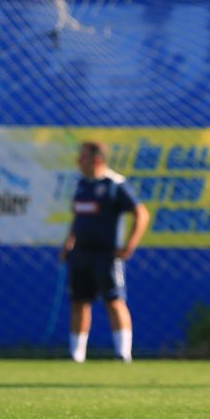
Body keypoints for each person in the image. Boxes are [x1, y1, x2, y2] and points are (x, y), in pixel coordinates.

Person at [60, 141, 150, 363]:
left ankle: (123, 353)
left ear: (96, 159)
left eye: (83, 157)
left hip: (106, 254)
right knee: (79, 302)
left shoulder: (115, 184)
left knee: (114, 300)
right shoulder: (82, 184)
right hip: (81, 253)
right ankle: (77, 355)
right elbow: (78, 218)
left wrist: (129, 245)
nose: (78, 162)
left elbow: (141, 214)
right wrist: (69, 242)